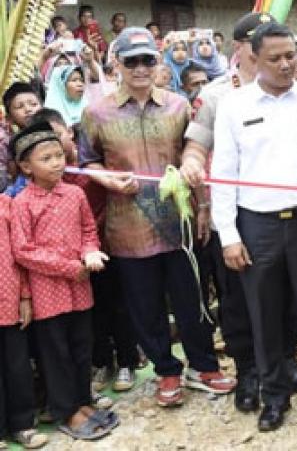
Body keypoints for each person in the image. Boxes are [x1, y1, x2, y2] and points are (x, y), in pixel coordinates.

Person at [79, 27, 234, 408]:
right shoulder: (96, 112)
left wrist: (202, 206)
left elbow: (193, 154)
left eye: (148, 59)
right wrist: (109, 179)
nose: (140, 68)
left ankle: (203, 366)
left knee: (191, 298)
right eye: (131, 61)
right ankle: (166, 371)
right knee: (144, 305)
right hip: (128, 224)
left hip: (177, 222)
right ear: (116, 64)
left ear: (158, 62)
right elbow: (86, 162)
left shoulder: (178, 106)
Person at [211, 21, 297, 432]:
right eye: (276, 58)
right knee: (264, 315)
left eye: (291, 55)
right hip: (257, 225)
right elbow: (223, 175)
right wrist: (229, 235)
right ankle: (274, 396)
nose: (287, 64)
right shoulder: (234, 106)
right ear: (254, 58)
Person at [181, 12, 297, 415]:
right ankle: (249, 369)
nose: (273, 57)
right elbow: (196, 145)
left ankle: (287, 359)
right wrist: (190, 165)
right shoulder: (219, 96)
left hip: (287, 213)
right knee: (238, 298)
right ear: (241, 49)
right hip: (236, 213)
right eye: (258, 46)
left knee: (287, 294)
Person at [10, 121, 119, 441]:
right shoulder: (22, 204)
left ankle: (83, 401)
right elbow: (24, 251)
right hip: (48, 293)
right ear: (26, 166)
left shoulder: (74, 193)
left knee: (82, 346)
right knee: (55, 353)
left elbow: (88, 230)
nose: (57, 162)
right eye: (46, 158)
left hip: (80, 287)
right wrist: (70, 267)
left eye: (59, 155)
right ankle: (65, 410)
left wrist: (90, 252)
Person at [0, 191, 48, 449]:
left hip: (9, 299)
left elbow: (19, 255)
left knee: (17, 364)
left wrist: (25, 297)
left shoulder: (6, 204)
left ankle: (23, 424)